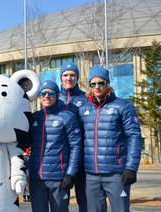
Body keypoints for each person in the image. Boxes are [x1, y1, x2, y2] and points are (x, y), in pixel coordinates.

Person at [79, 66, 142, 212]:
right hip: (91, 174)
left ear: (108, 84)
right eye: (93, 84)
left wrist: (131, 168)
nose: (97, 87)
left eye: (101, 83)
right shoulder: (83, 109)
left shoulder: (123, 106)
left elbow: (134, 137)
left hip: (116, 174)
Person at [28, 80, 82, 212]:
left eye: (50, 93)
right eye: (43, 93)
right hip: (36, 178)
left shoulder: (67, 117)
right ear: (40, 96)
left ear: (57, 96)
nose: (46, 96)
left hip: (58, 178)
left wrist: (70, 174)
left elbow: (76, 147)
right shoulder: (34, 118)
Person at [59, 62, 87, 212]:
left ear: (77, 77)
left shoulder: (86, 99)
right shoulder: (53, 99)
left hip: (82, 159)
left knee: (85, 202)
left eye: (72, 75)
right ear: (61, 77)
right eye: (65, 75)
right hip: (61, 159)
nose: (69, 78)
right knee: (61, 203)